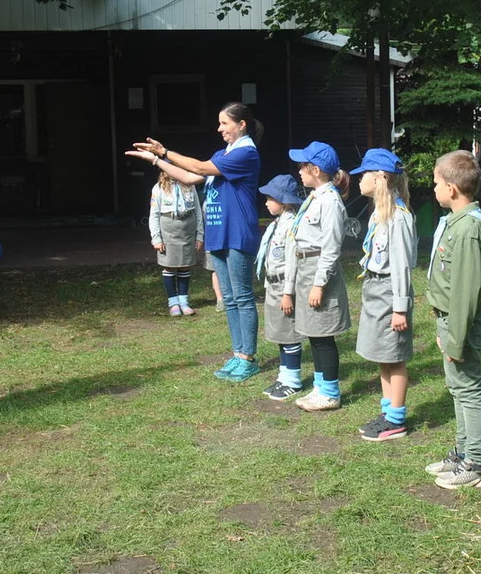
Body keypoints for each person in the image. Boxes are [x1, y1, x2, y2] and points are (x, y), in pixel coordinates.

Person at [129, 102, 263, 381]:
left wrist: (165, 151)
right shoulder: (224, 153)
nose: (219, 128)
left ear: (242, 125)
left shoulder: (246, 153)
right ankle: (238, 355)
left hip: (237, 232)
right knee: (229, 298)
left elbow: (199, 166)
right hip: (219, 233)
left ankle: (247, 358)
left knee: (242, 297)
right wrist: (156, 161)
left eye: (224, 123)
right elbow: (190, 176)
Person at [423, 150, 481, 489]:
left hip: (461, 323)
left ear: (452, 188)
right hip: (450, 320)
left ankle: (477, 464)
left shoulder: (468, 230)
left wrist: (455, 337)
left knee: (468, 389)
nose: (434, 188)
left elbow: (466, 292)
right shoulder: (457, 223)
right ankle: (462, 452)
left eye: (437, 183)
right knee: (458, 388)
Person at [351, 149, 417, 442]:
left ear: (380, 178)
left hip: (391, 293)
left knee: (395, 356)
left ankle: (397, 419)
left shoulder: (399, 218)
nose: (359, 179)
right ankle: (387, 411)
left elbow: (402, 265)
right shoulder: (380, 214)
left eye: (364, 174)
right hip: (376, 290)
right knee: (382, 354)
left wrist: (400, 308)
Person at [283, 141, 352, 411]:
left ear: (316, 169)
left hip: (318, 273)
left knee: (323, 336)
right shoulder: (314, 198)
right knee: (314, 333)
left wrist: (319, 284)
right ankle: (320, 387)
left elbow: (331, 248)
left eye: (302, 166)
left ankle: (330, 392)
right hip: (305, 269)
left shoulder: (330, 202)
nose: (298, 171)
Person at [255, 174, 305, 401]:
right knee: (279, 333)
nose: (265, 202)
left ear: (283, 201)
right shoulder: (277, 224)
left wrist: (288, 293)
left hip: (285, 286)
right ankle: (284, 376)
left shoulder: (291, 225)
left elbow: (292, 262)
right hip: (274, 285)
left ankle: (293, 380)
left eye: (269, 198)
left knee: (289, 334)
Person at [148, 167, 204, 316]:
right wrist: (156, 238)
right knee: (170, 267)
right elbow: (153, 215)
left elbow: (198, 211)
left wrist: (199, 235)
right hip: (168, 232)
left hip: (187, 231)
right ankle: (173, 303)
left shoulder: (190, 185)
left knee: (185, 266)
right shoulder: (159, 188)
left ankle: (184, 301)